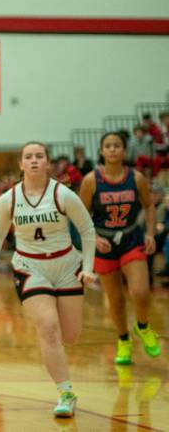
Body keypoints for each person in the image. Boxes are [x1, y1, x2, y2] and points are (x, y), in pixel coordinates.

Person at [0, 142, 96, 418]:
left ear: (47, 163)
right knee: (48, 327)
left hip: (67, 265)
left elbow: (87, 229)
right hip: (29, 267)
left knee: (70, 336)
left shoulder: (63, 195)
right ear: (21, 164)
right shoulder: (8, 199)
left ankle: (61, 373)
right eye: (28, 157)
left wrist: (89, 267)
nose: (34, 160)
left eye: (39, 156)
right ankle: (65, 392)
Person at [78, 131, 160, 365]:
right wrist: (92, 237)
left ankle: (143, 326)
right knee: (115, 300)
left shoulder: (136, 178)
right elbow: (80, 216)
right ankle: (123, 339)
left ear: (124, 151)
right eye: (108, 146)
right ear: (102, 151)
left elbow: (149, 206)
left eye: (117, 145)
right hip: (104, 244)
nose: (112, 149)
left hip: (131, 239)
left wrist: (150, 233)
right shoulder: (91, 180)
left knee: (140, 291)